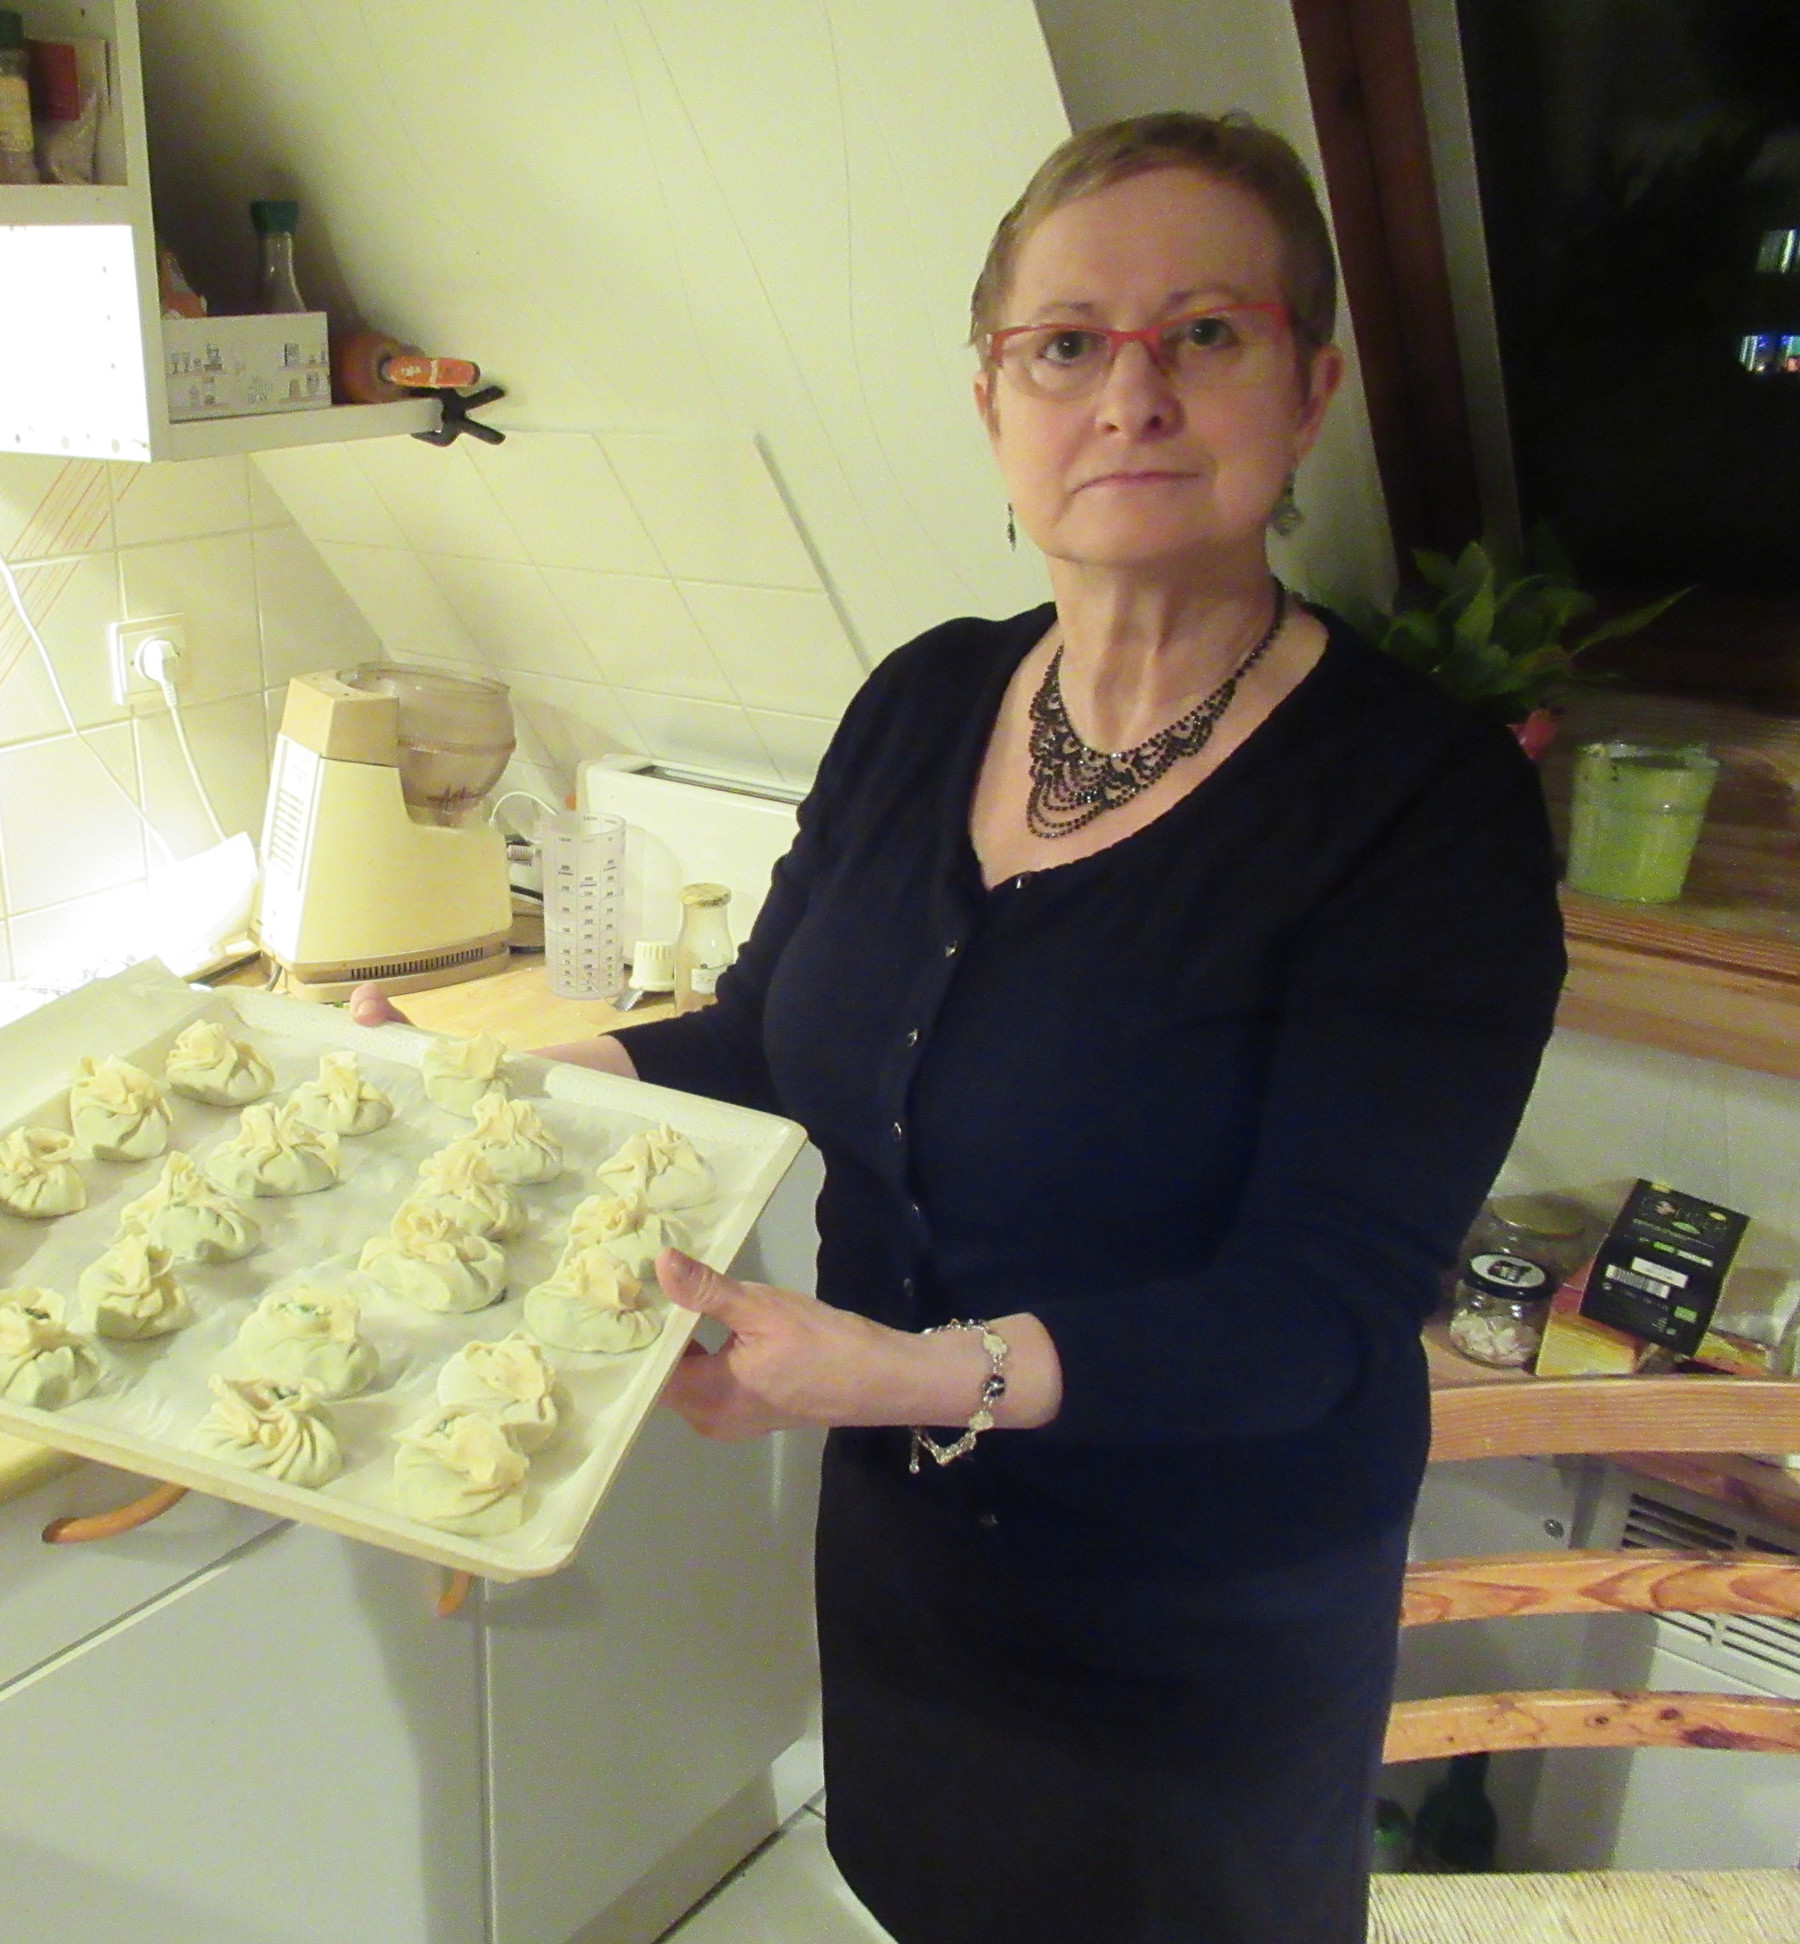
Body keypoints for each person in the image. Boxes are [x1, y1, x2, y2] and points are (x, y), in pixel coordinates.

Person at [358, 111, 1564, 1942]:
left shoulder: (1424, 808)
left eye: (1205, 334)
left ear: (1309, 388)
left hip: (1198, 1636)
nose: (1131, 395)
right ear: (994, 398)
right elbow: (768, 1038)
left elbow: (1318, 1310)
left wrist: (913, 1374)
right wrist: (485, 1089)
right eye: (1067, 344)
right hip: (916, 1573)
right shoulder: (928, 697)